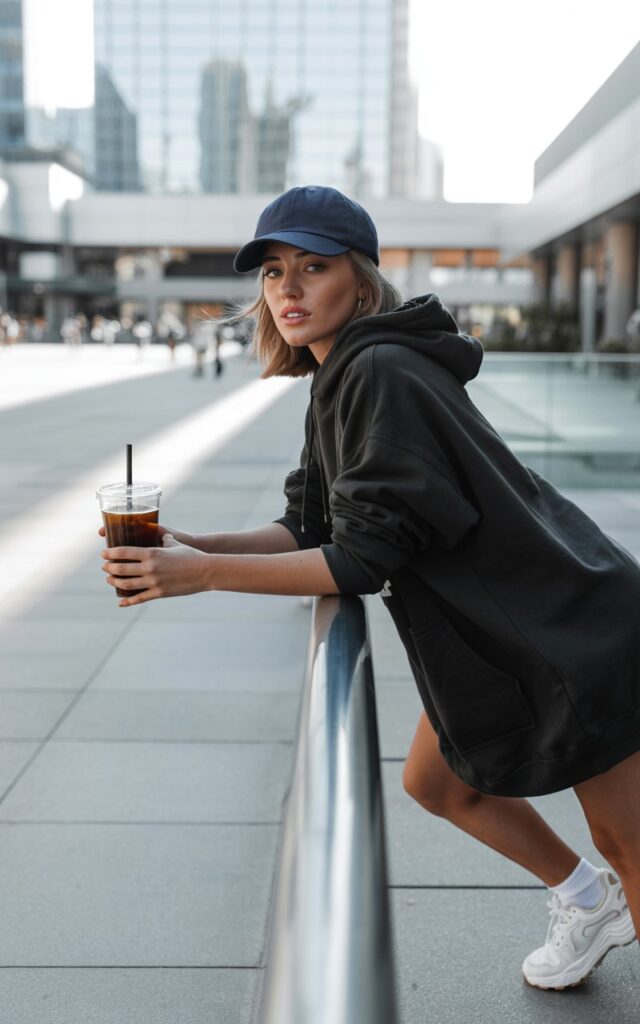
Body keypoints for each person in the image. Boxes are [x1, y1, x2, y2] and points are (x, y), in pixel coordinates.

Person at [100, 185, 639, 991]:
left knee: (631, 847)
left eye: (312, 268)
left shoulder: (379, 370)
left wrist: (203, 575)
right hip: (510, 634)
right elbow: (308, 525)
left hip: (570, 628)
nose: (287, 289)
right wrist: (190, 545)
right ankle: (586, 900)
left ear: (360, 280)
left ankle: (607, 888)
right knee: (435, 781)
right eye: (274, 271)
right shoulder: (340, 376)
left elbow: (361, 560)